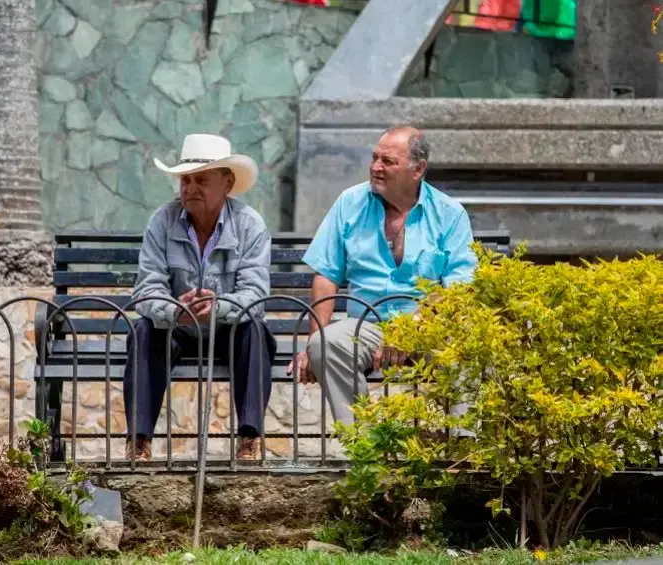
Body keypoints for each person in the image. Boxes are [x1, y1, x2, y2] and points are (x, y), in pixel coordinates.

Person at [287, 126, 477, 425]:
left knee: (467, 346)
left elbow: (459, 286)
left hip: (427, 327)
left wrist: (410, 330)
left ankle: (466, 452)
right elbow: (325, 275)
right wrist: (313, 342)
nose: (376, 167)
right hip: (365, 326)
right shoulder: (349, 203)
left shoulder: (449, 213)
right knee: (326, 343)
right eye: (375, 158)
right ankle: (362, 450)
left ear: (418, 170)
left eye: (388, 162)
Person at [124, 133, 276, 462]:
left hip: (228, 330)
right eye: (185, 180)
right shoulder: (162, 221)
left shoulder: (250, 225)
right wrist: (175, 311)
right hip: (176, 328)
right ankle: (138, 443)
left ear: (227, 183)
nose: (190, 188)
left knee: (257, 331)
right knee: (143, 330)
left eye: (201, 180)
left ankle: (249, 439)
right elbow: (147, 288)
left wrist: (218, 308)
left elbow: (255, 295)